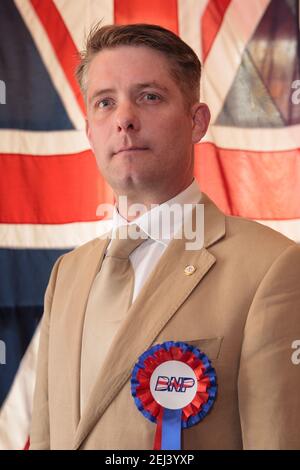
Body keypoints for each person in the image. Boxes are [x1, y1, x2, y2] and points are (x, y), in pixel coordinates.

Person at [30, 23, 300, 450]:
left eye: (149, 97)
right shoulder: (67, 274)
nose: (124, 119)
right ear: (90, 132)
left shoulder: (272, 268)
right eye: (105, 102)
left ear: (196, 122)